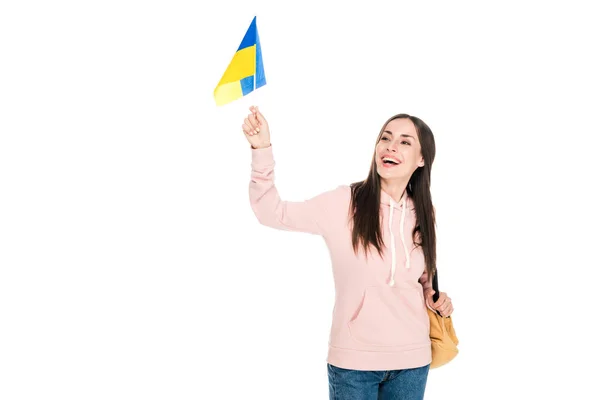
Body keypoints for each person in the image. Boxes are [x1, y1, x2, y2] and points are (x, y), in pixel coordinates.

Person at [241, 105, 454, 400]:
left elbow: (423, 278)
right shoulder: (344, 203)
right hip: (354, 363)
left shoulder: (424, 211)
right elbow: (272, 213)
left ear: (421, 159)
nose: (390, 146)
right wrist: (261, 148)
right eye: (385, 138)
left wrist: (436, 298)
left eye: (405, 141)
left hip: (412, 361)